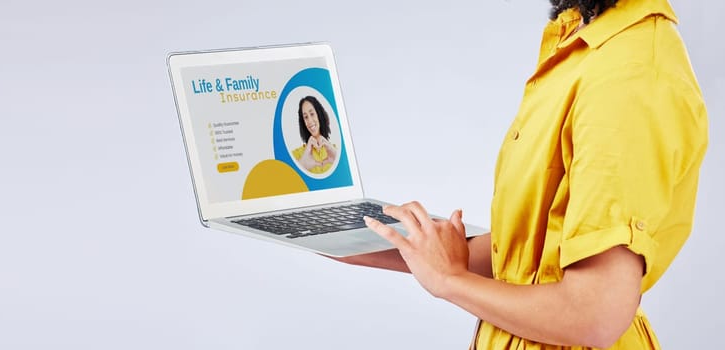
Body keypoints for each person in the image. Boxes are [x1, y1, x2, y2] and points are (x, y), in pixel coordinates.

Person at [333, 0, 708, 349]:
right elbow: (532, 259)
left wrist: (450, 281)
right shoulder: (586, 41)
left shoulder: (629, 75)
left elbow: (596, 312)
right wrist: (361, 242)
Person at [291, 95, 337, 174]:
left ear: (319, 115)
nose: (309, 121)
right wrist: (302, 165)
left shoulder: (335, 150)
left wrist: (337, 158)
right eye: (305, 117)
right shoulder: (296, 155)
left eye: (312, 114)